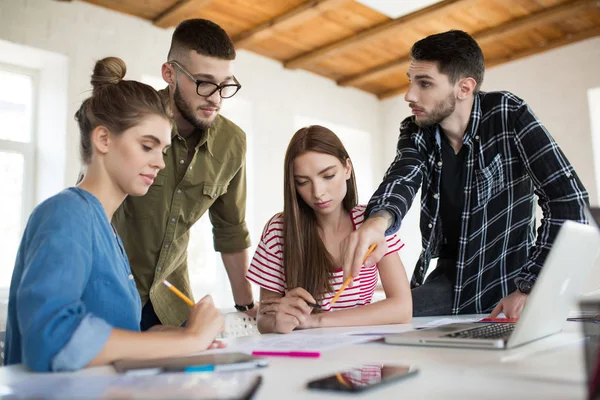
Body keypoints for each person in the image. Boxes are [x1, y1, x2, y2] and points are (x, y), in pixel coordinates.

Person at [339, 30, 589, 318]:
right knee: (377, 324)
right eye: (411, 81)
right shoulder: (416, 131)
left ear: (464, 88)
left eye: (425, 84)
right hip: (450, 281)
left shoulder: (508, 113)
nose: (409, 95)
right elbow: (402, 177)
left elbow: (570, 201)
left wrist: (530, 286)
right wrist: (376, 223)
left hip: (513, 278)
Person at [4, 57, 225, 372]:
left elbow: (110, 334)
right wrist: (188, 341)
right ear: (104, 139)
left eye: (162, 151)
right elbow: (52, 340)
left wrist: (173, 336)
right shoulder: (65, 214)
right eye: (147, 146)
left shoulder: (105, 229)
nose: (160, 163)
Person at [112, 19, 254, 330]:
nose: (216, 97)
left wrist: (247, 308)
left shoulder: (232, 142)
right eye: (204, 82)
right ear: (170, 74)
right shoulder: (131, 118)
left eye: (225, 84)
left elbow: (231, 230)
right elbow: (94, 205)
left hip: (170, 301)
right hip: (109, 295)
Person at [247, 126, 412, 334]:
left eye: (328, 176)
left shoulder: (370, 222)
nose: (318, 192)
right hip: (307, 359)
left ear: (347, 169)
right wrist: (277, 321)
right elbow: (264, 319)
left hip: (364, 355)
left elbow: (403, 308)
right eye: (303, 182)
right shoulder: (278, 230)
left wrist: (318, 321)